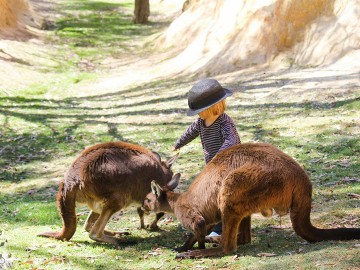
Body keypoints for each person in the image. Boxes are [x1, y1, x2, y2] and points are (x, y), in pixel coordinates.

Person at [173, 78, 241, 237]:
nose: (198, 114)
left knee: (220, 196)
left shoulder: (224, 121)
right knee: (210, 195)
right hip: (212, 167)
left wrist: (219, 157)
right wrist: (178, 144)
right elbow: (189, 133)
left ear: (212, 107)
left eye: (200, 110)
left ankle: (220, 229)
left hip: (228, 166)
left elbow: (232, 140)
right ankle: (211, 225)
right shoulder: (200, 122)